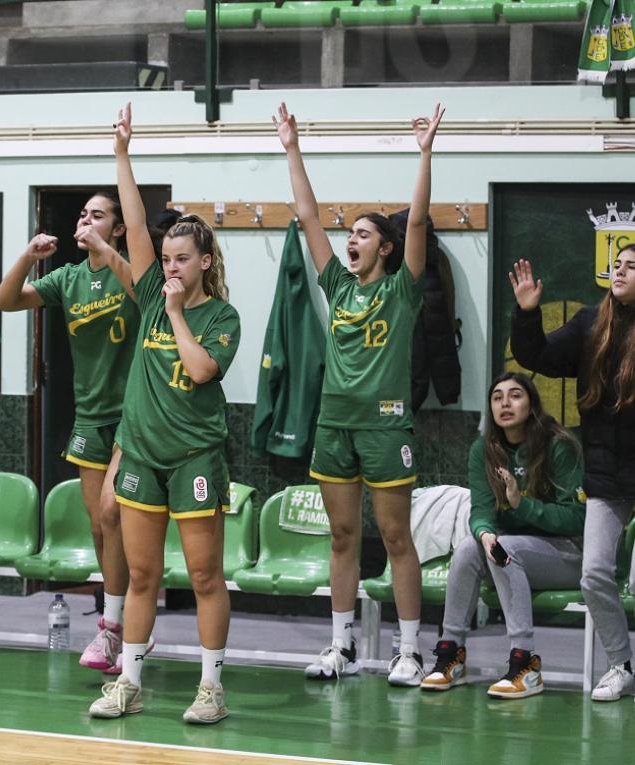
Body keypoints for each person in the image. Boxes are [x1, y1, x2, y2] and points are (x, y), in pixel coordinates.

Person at [274, 102, 443, 686]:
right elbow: (306, 213)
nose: (351, 241)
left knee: (396, 537)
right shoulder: (338, 286)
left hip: (385, 427)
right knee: (343, 537)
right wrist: (292, 147)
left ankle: (409, 650)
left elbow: (417, 224)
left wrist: (424, 155)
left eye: (363, 234)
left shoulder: (402, 292)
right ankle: (341, 646)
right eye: (350, 235)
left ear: (386, 248)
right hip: (334, 426)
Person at [89, 102, 241, 724]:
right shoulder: (150, 290)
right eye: (166, 259)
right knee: (142, 575)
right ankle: (129, 682)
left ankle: (210, 687)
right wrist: (123, 155)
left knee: (204, 576)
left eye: (183, 259)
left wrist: (177, 314)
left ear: (204, 263)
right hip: (142, 458)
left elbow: (202, 370)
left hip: (195, 458)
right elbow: (134, 223)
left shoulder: (219, 317)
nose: (170, 267)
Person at [0, 190, 140, 673]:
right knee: (100, 526)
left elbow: (147, 291)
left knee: (111, 511)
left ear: (117, 229)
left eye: (97, 216)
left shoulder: (129, 271)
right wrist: (26, 257)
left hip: (133, 417)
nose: (85, 220)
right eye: (83, 214)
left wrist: (107, 250)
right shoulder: (69, 278)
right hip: (89, 416)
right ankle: (115, 618)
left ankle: (116, 627)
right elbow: (6, 299)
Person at [509, 250, 635, 702]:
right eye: (617, 264)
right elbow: (538, 355)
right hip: (607, 475)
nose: (619, 270)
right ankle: (621, 665)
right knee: (594, 573)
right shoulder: (589, 323)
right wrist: (526, 313)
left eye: (632, 266)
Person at [420, 372, 585, 698]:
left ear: (531, 403)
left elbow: (576, 519)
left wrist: (520, 505)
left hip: (568, 553)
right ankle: (452, 653)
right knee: (469, 548)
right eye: (497, 397)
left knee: (506, 548)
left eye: (515, 395)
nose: (505, 403)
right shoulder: (484, 449)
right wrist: (484, 535)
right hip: (514, 552)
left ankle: (526, 663)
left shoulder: (559, 446)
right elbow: (480, 510)